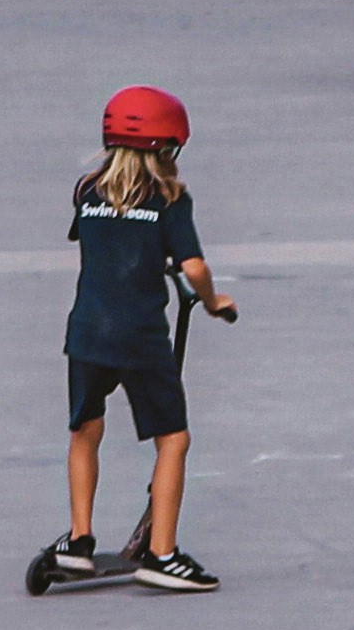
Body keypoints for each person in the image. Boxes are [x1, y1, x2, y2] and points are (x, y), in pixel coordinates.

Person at [45, 85, 236, 595]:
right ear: (167, 147)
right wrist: (213, 300)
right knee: (172, 438)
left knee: (85, 430)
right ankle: (163, 554)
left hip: (86, 332)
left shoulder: (86, 189)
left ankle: (79, 540)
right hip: (141, 338)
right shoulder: (171, 199)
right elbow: (192, 265)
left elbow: (103, 242)